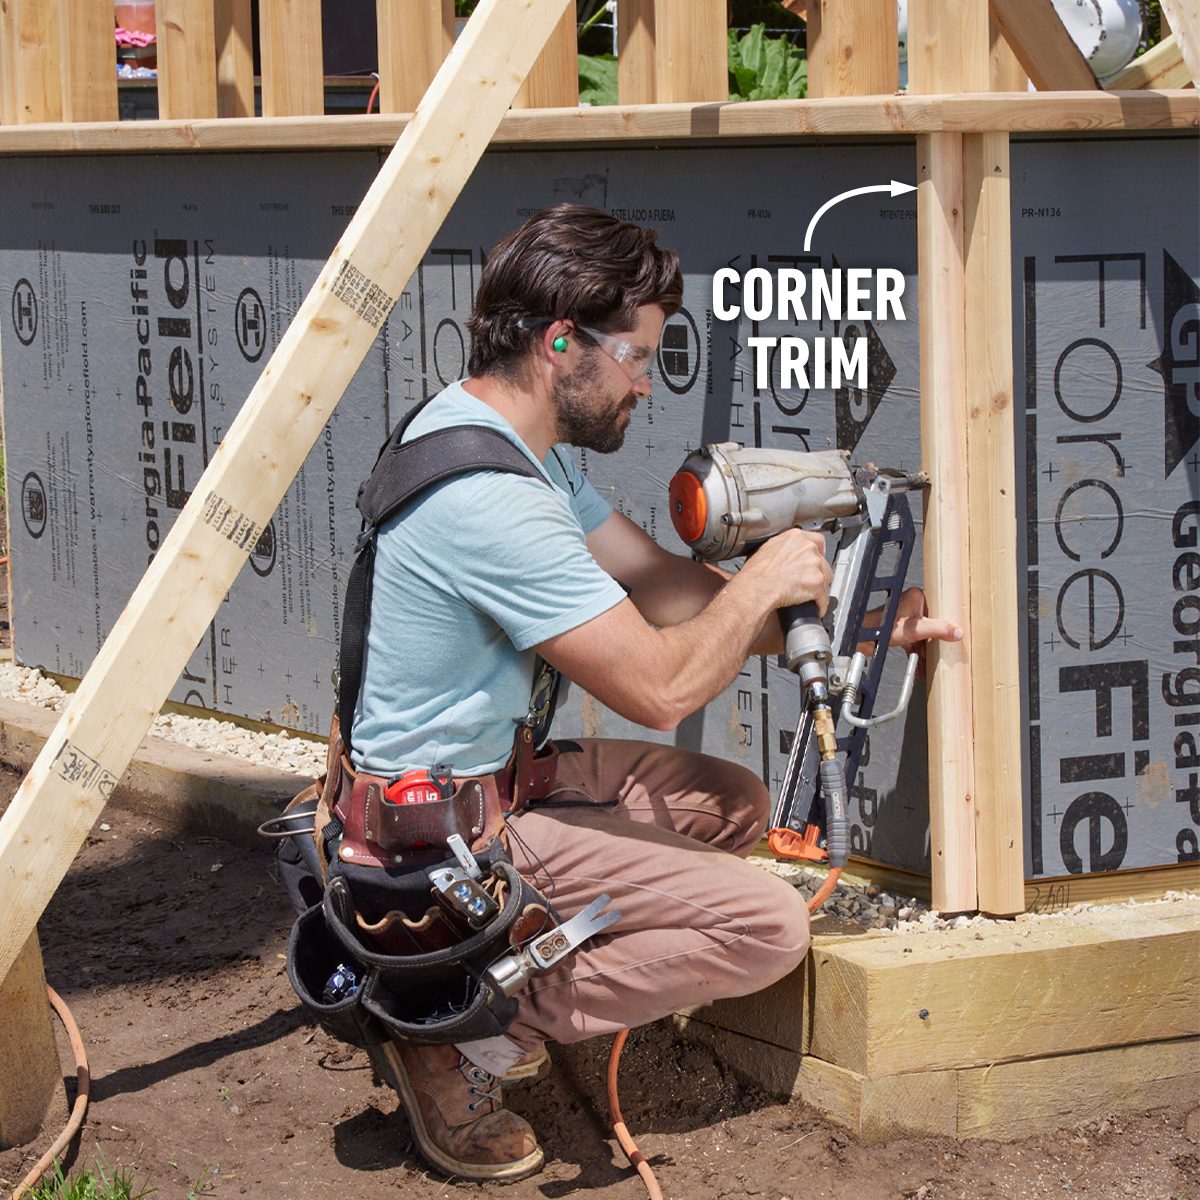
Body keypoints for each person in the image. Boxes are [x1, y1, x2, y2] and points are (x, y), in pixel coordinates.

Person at [349, 204, 961, 1181]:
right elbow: (657, 682)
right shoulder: (493, 500)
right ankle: (455, 1015)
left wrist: (861, 619)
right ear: (560, 345)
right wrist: (764, 579)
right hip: (438, 834)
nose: (645, 382)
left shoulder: (511, 441)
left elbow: (667, 588)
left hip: (495, 780)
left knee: (733, 806)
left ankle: (542, 948)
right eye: (635, 356)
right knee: (766, 927)